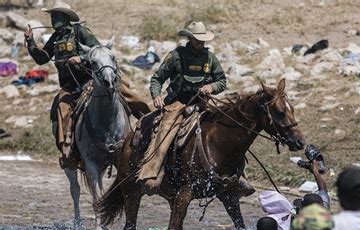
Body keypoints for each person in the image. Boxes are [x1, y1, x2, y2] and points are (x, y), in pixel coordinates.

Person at [24, 2, 150, 168]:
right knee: (61, 107)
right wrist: (31, 42)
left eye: (56, 16)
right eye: (52, 16)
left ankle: (148, 123)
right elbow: (42, 58)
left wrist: (82, 58)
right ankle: (66, 147)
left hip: (91, 79)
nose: (53, 19)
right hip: (69, 85)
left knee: (125, 91)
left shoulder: (80, 31)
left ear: (65, 18)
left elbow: (99, 50)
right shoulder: (55, 38)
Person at [138, 21, 226, 181]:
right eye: (197, 39)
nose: (200, 43)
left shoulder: (210, 58)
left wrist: (211, 87)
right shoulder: (176, 56)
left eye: (202, 39)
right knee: (165, 129)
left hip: (202, 102)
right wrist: (156, 95)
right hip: (177, 102)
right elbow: (157, 79)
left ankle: (234, 176)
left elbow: (221, 81)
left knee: (225, 128)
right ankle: (152, 171)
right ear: (189, 38)